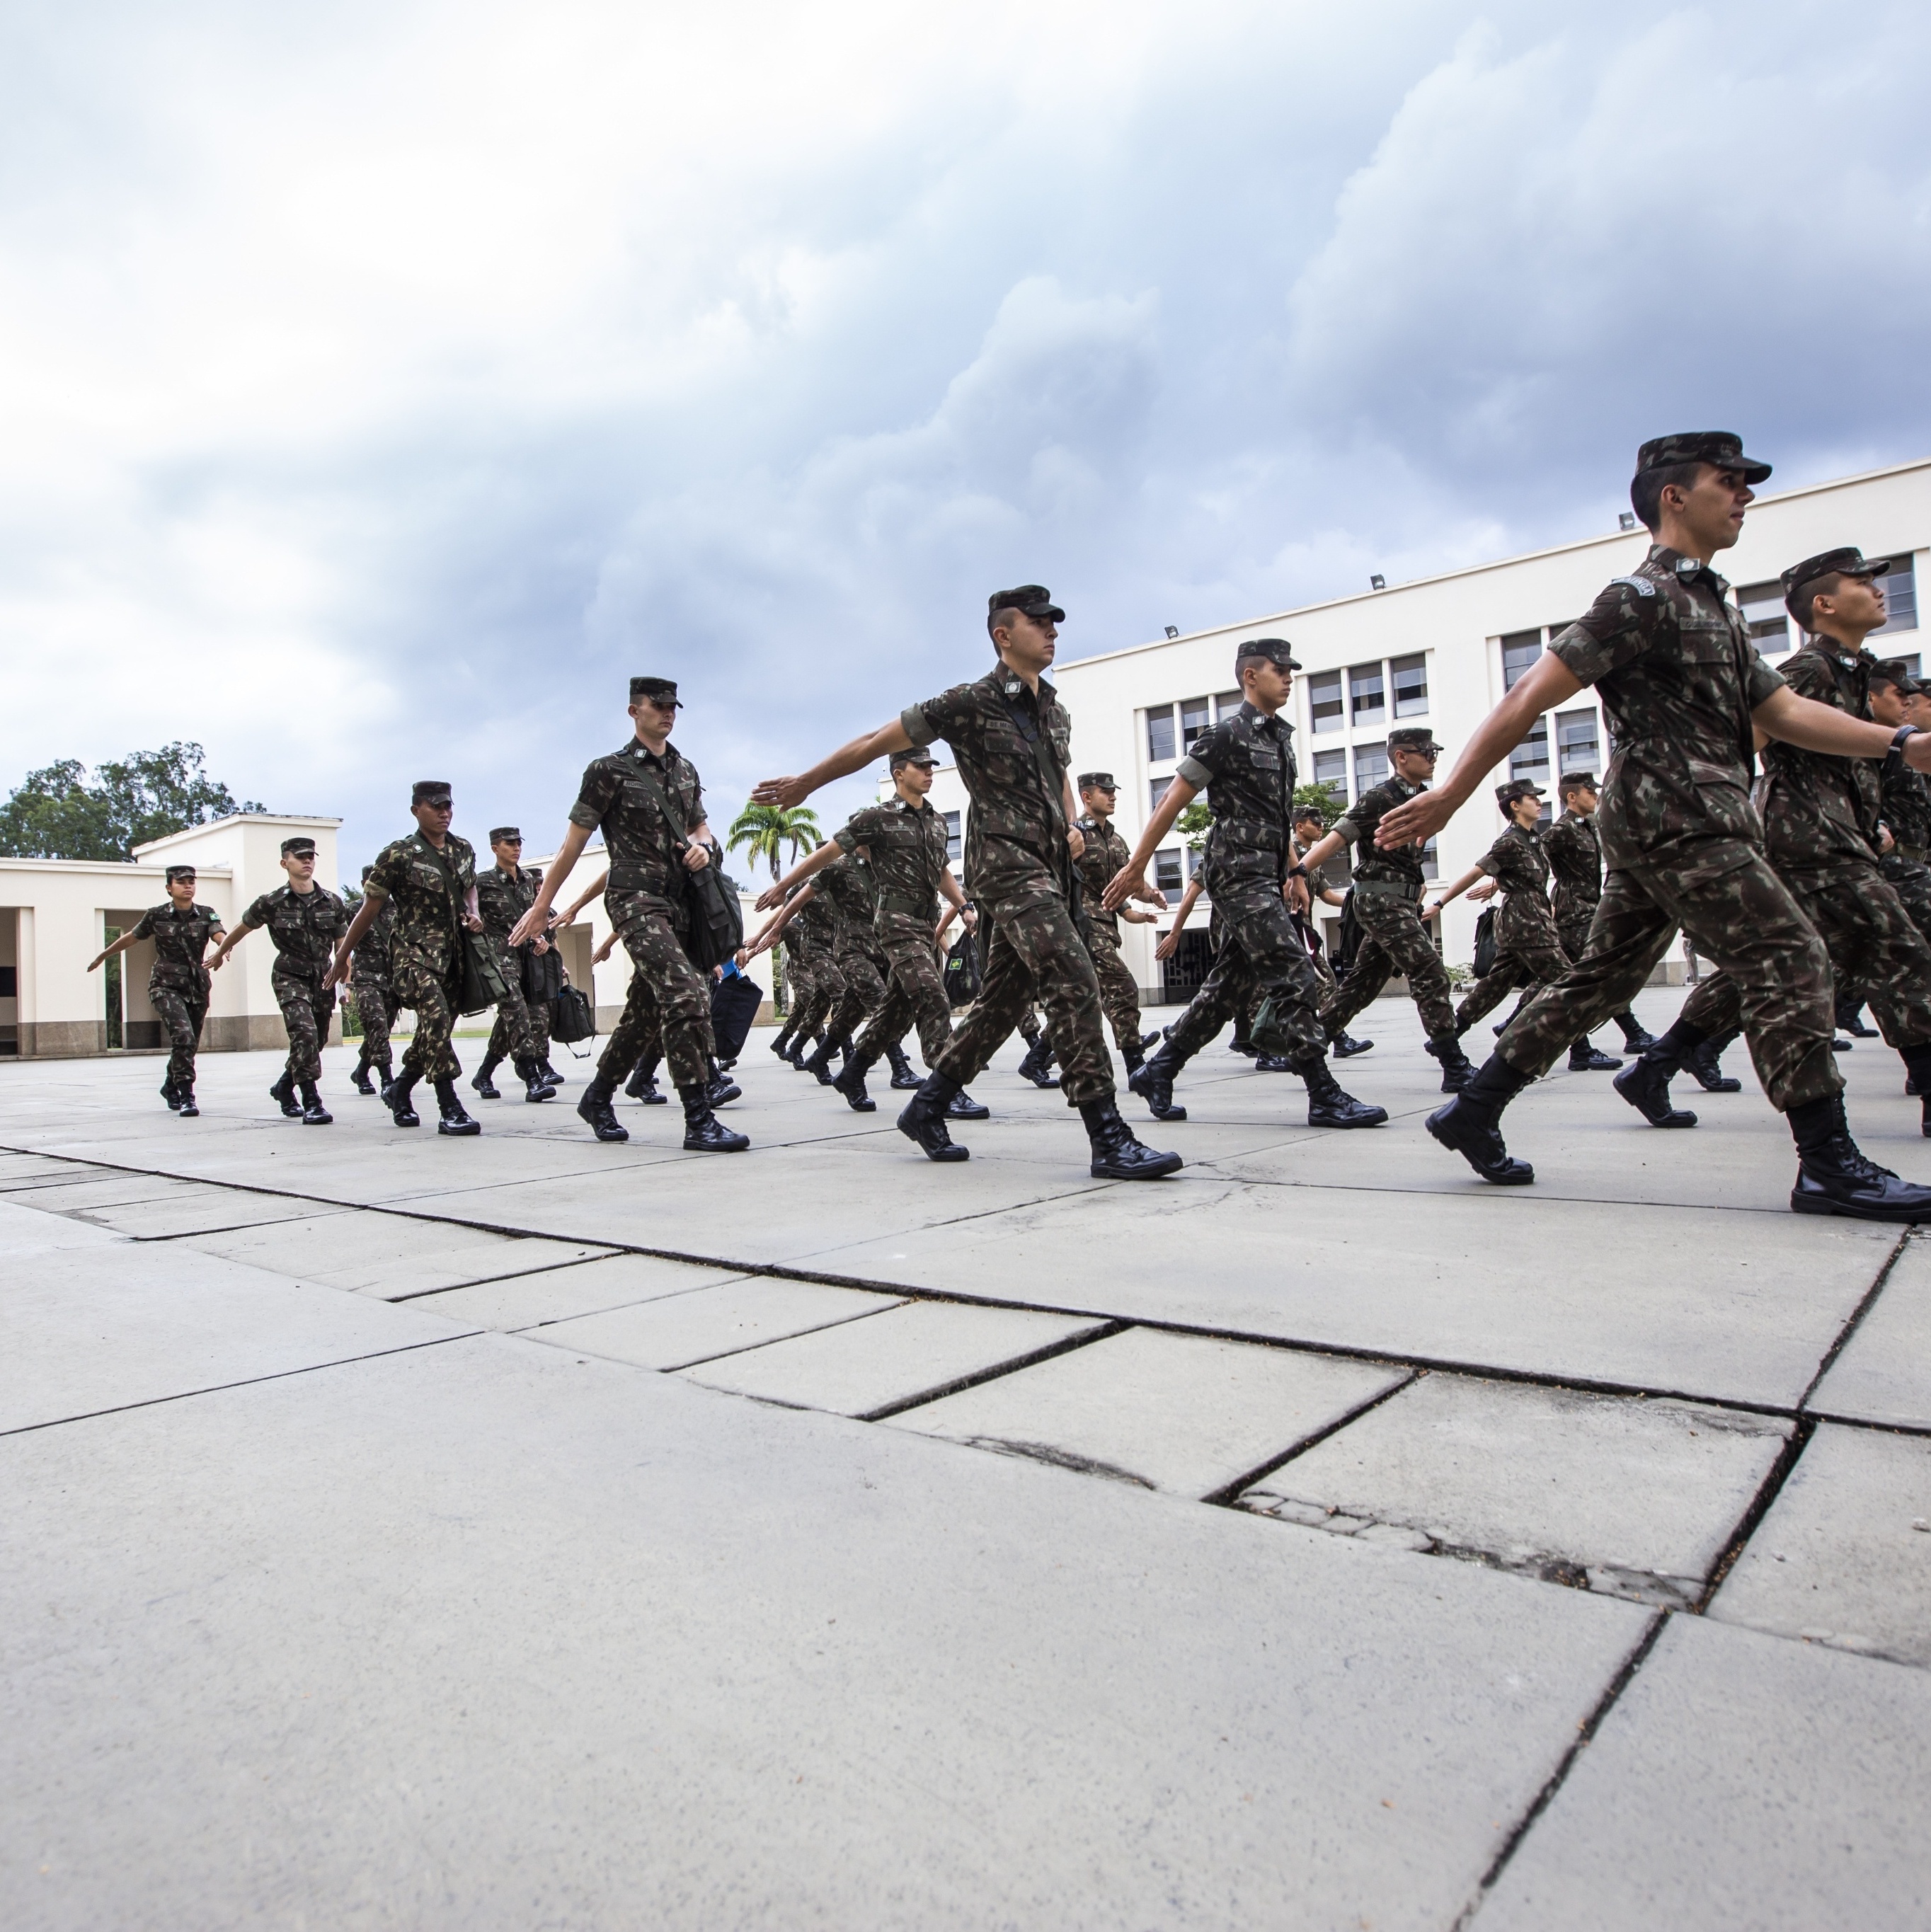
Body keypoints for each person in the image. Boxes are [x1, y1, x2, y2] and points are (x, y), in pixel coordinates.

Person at [1381, 433, 1931, 1221]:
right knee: (1788, 951)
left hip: (1679, 816)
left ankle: (1475, 1106)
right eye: (1727, 482)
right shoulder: (1638, 598)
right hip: (1677, 815)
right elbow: (1528, 694)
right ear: (1673, 496)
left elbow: (1779, 712)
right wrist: (1452, 796)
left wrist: (1902, 745)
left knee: (1603, 976)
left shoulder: (1715, 604)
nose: (1743, 496)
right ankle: (1828, 1164)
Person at [753, 585, 1179, 1178]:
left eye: (1055, 622)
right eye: (1039, 623)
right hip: (1006, 867)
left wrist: (1070, 824)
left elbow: (1058, 772)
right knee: (1073, 975)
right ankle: (1108, 1135)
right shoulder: (969, 703)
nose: (1052, 631)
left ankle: (927, 1107)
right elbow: (875, 742)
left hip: (1051, 867)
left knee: (1001, 1004)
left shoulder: (1054, 710)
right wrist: (806, 783)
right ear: (1004, 636)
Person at [1656, 546, 1931, 1135]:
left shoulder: (1855, 670)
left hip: (1835, 836)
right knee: (1899, 947)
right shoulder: (1809, 669)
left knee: (1786, 966)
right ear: (1825, 604)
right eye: (1863, 582)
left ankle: (1659, 1063)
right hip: (1808, 838)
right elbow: (1745, 739)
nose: (1879, 590)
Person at [1108, 638, 1385, 1130]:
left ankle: (1160, 1071)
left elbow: (1280, 817)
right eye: (1280, 669)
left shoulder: (1280, 738)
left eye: (1291, 670)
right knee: (1293, 970)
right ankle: (1323, 1092)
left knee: (1229, 987)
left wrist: (1294, 871)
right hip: (1235, 872)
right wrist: (1136, 867)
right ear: (1249, 676)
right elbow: (1172, 798)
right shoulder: (1226, 735)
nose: (1289, 677)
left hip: (1266, 874)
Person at [508, 677, 747, 1151]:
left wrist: (703, 846)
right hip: (635, 899)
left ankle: (597, 1098)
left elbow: (701, 826)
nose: (667, 713)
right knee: (686, 994)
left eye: (672, 706)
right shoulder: (608, 771)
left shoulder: (684, 769)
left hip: (682, 904)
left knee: (643, 1012)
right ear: (633, 711)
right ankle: (698, 1118)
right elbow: (573, 844)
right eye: (657, 706)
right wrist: (542, 907)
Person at [749, 749, 976, 1113]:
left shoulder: (936, 822)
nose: (929, 773)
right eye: (921, 767)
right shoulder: (878, 818)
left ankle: (853, 1073)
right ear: (899, 774)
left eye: (932, 766)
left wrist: (963, 905)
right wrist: (782, 888)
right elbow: (826, 854)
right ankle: (946, 1088)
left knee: (894, 1010)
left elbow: (941, 872)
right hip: (894, 925)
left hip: (923, 926)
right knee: (934, 999)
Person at [1302, 728, 1473, 1091]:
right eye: (1427, 752)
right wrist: (1298, 873)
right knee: (1429, 969)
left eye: (1434, 752)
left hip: (1402, 901)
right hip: (1380, 900)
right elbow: (1338, 836)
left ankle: (1307, 1047)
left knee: (1362, 985)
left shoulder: (1423, 798)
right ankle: (1453, 1064)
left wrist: (1418, 886)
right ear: (1401, 757)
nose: (1432, 759)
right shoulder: (1380, 798)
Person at [325, 782, 484, 1137]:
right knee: (438, 1018)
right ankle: (450, 1107)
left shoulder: (463, 849)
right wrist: (342, 955)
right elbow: (369, 908)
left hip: (455, 956)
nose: (445, 813)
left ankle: (400, 1090)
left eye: (448, 806)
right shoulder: (398, 854)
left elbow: (470, 885)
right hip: (413, 956)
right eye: (436, 806)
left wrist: (473, 911)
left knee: (432, 1029)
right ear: (416, 810)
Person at [1428, 781, 1621, 1073]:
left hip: (1532, 921)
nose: (1539, 802)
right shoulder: (1509, 841)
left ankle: (1449, 1037)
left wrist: (1498, 886)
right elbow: (1475, 872)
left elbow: (1522, 877)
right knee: (1569, 982)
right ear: (1515, 806)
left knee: (1494, 987)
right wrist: (1440, 904)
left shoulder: (1534, 840)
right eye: (1532, 799)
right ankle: (1581, 1050)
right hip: (1525, 925)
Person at [208, 835, 348, 1125]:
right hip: (289, 974)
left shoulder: (332, 902)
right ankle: (312, 1101)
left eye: (311, 855)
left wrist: (345, 976)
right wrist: (221, 951)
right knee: (305, 1034)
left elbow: (341, 941)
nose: (308, 860)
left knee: (317, 1040)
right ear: (285, 863)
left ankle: (284, 1086)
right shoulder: (271, 902)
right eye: (300, 856)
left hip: (322, 977)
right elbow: (242, 928)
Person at [90, 864, 224, 1116]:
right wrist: (104, 955)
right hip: (166, 986)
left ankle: (169, 1085)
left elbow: (219, 934)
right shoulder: (157, 915)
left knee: (190, 1044)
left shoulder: (206, 914)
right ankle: (186, 1094)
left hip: (197, 987)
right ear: (169, 887)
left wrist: (222, 949)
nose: (188, 886)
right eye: (182, 882)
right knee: (183, 1037)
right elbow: (131, 937)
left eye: (191, 881)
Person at [1543, 774, 1655, 1058]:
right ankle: (1631, 1034)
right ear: (1572, 797)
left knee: (1556, 978)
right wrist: (1497, 879)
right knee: (1602, 971)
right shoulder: (1562, 829)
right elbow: (1530, 853)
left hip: (1588, 908)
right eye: (1590, 792)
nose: (1595, 796)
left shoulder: (1588, 827)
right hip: (1573, 913)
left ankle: (1513, 1023)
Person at [1072, 772, 1166, 1075]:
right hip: (1082, 926)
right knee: (1124, 987)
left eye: (1114, 791)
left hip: (1105, 927)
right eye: (1105, 791)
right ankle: (1136, 1063)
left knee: (1087, 999)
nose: (1113, 796)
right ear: (1086, 797)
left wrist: (1151, 895)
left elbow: (1130, 885)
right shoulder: (1073, 836)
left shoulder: (1116, 840)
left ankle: (1036, 1057)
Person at [471, 827, 558, 1104]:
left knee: (523, 1016)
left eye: (519, 843)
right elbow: (467, 911)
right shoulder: (482, 881)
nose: (516, 848)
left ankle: (484, 1074)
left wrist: (541, 938)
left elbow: (537, 915)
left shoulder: (528, 880)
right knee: (516, 1011)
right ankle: (532, 1077)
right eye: (510, 844)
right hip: (499, 959)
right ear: (495, 848)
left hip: (527, 959)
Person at [1293, 804, 1370, 1055]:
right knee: (1324, 981)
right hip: (1290, 931)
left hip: (1304, 932)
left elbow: (1325, 894)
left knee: (1310, 986)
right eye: (1316, 824)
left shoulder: (1312, 859)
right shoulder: (1290, 856)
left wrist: (1355, 900)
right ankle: (1336, 1038)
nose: (1321, 828)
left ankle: (1334, 1039)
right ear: (1300, 826)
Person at [348, 864, 399, 1096]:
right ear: (364, 885)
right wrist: (346, 983)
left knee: (381, 1031)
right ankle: (387, 1078)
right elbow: (340, 942)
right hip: (366, 978)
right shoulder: (352, 911)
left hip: (393, 978)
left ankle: (361, 1071)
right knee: (377, 1024)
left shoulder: (398, 909)